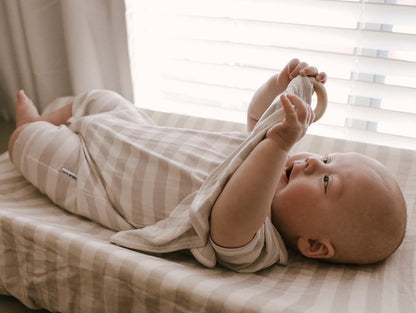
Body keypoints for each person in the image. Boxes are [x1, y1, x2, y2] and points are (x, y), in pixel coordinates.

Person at [8, 59, 406, 272]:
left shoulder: (259, 243)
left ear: (314, 245)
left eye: (324, 182)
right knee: (101, 98)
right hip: (138, 135)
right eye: (324, 159)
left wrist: (279, 142)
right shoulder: (272, 156)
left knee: (25, 144)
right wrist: (277, 87)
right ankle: (56, 117)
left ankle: (32, 125)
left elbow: (227, 226)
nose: (309, 163)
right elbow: (256, 123)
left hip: (95, 177)